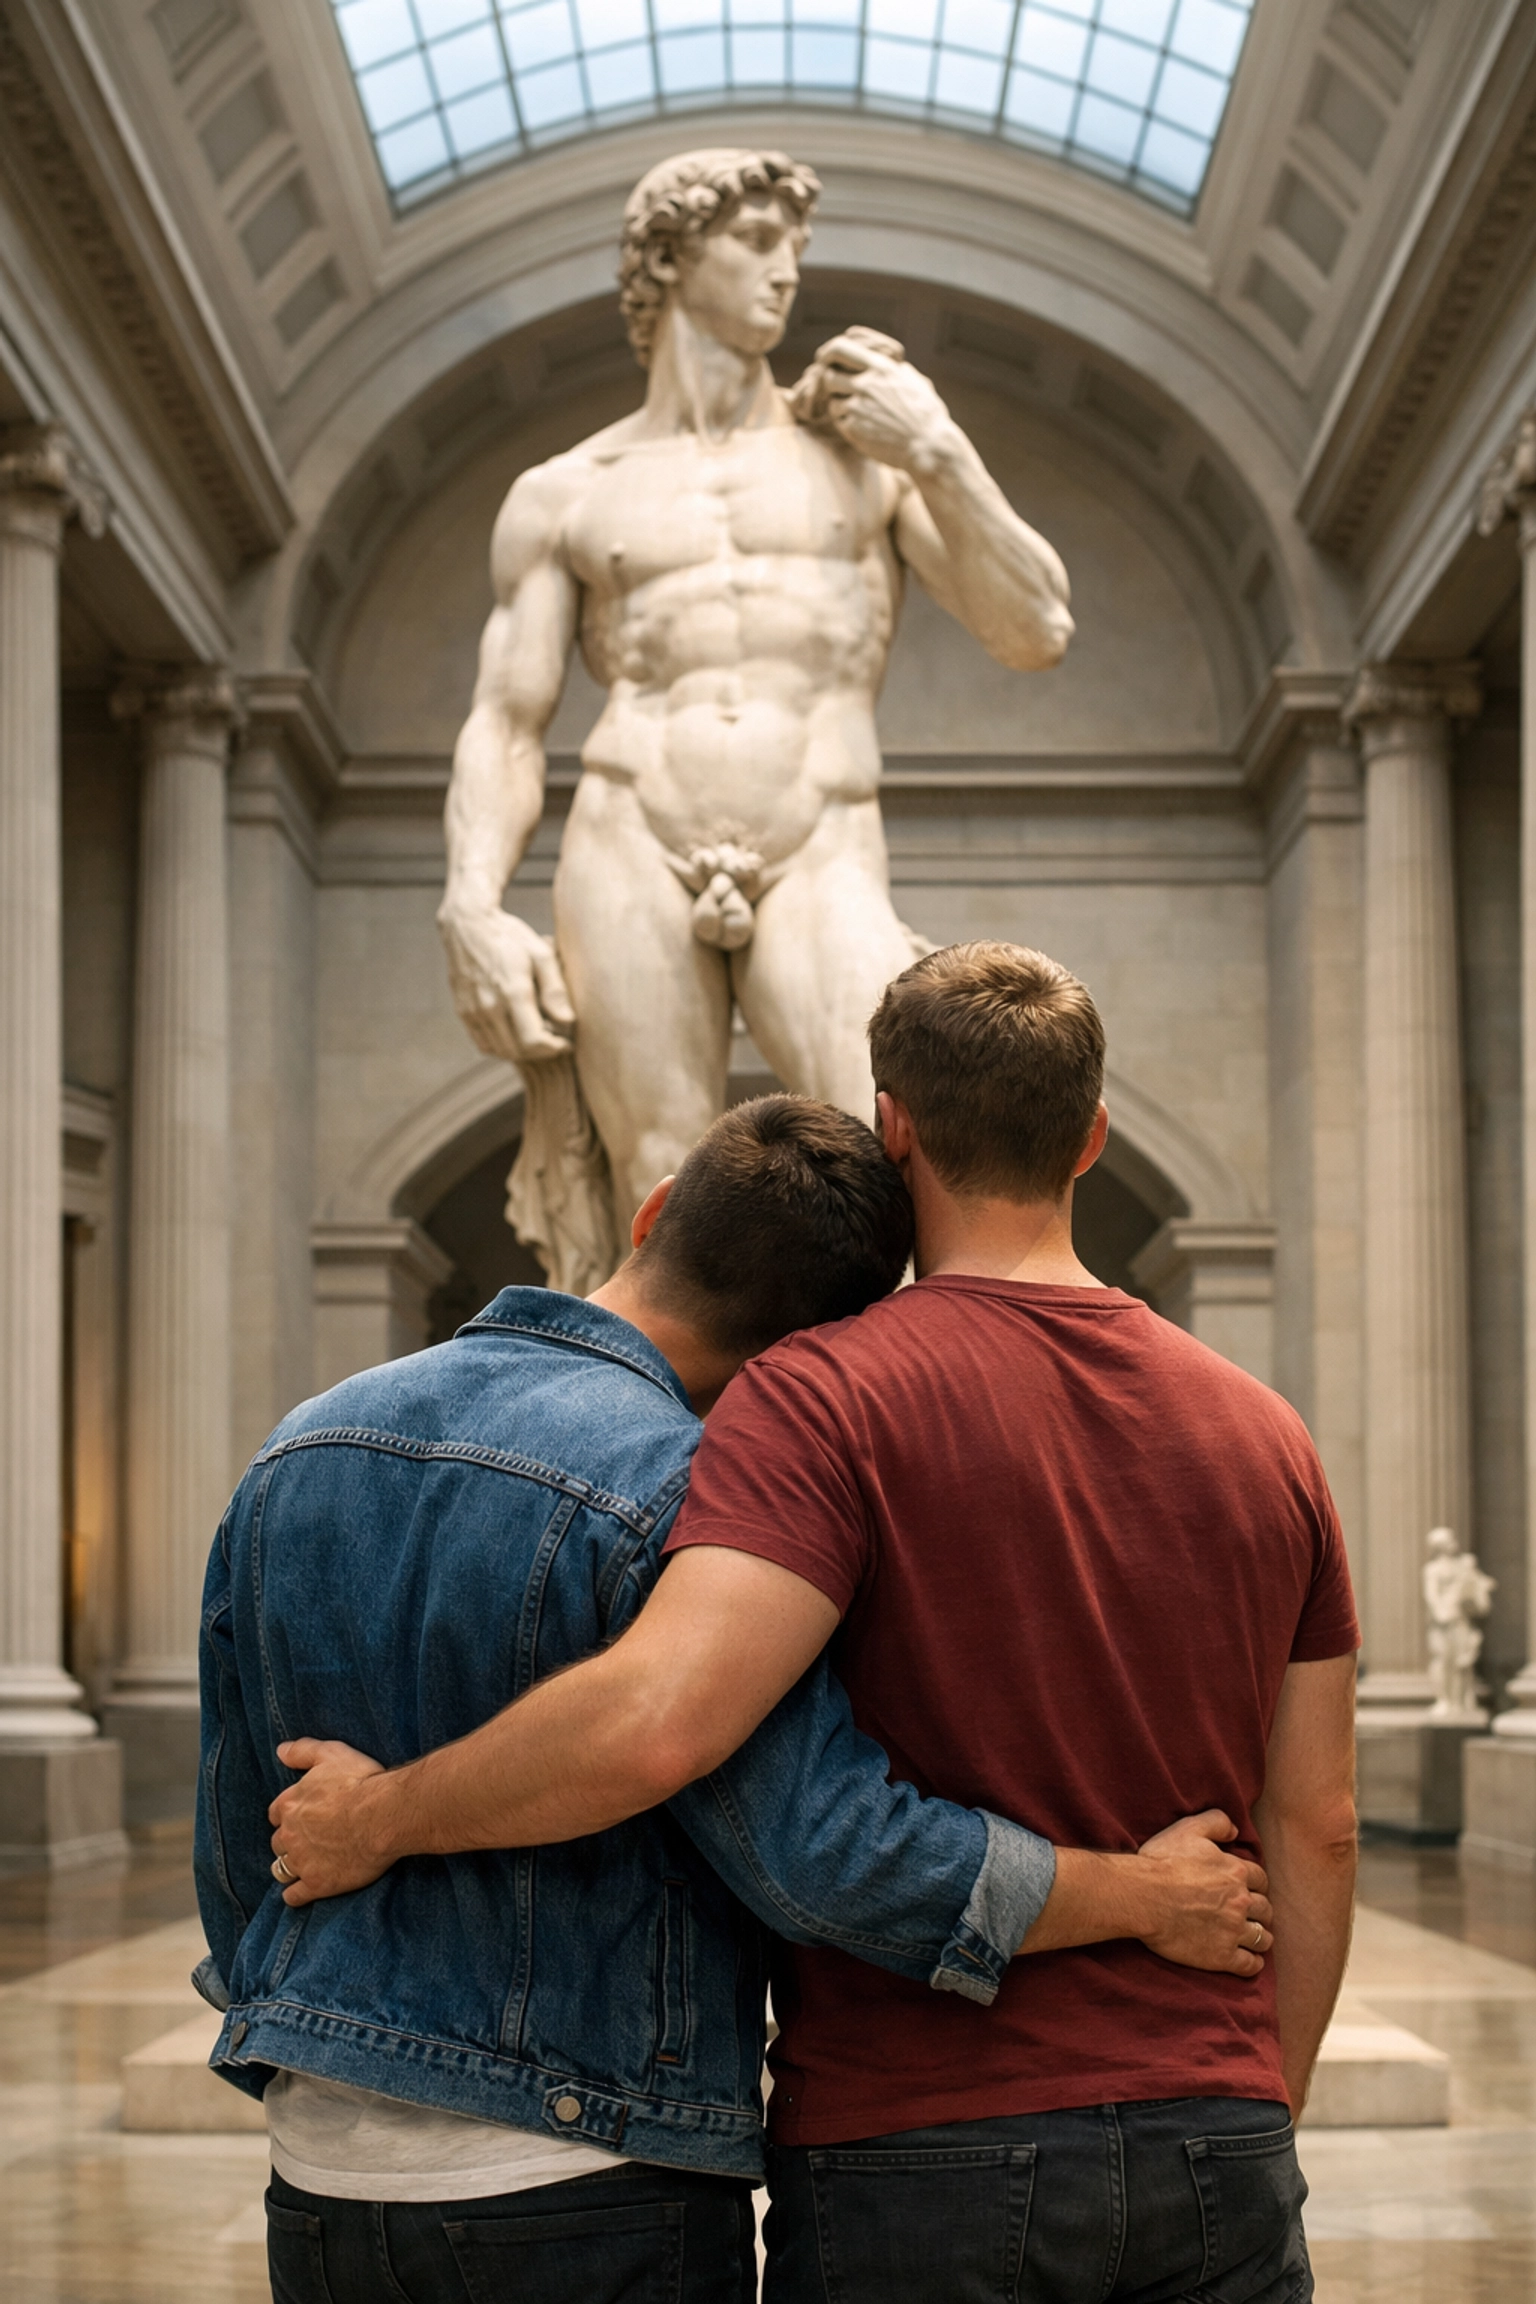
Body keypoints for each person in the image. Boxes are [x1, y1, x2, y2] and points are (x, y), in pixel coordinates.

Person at [271, 946, 1359, 2304]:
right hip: (1219, 2134)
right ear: (1091, 1135)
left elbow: (663, 1716)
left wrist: (384, 1818)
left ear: (895, 1125)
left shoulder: (821, 1396)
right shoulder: (1270, 1436)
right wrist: (1262, 2099)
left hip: (921, 2148)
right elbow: (1318, 1822)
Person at [436, 145, 1072, 1277]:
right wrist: (471, 904)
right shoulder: (566, 491)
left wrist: (938, 450)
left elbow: (1036, 629)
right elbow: (506, 718)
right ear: (669, 259)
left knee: (888, 1164)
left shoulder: (865, 461)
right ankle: (666, 1404)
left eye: (796, 246)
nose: (788, 271)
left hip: (819, 840)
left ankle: (877, 1400)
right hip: (630, 833)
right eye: (756, 241)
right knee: (658, 1192)